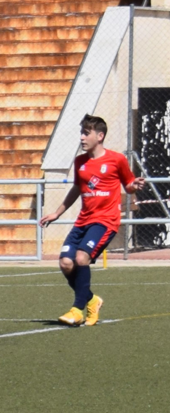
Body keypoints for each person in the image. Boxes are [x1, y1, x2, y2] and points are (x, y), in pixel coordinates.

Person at [39, 115, 141, 327]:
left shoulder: (116, 159)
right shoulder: (80, 162)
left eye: (86, 133)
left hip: (105, 221)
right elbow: (77, 188)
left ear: (100, 135)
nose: (82, 137)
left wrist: (134, 186)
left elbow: (128, 184)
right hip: (83, 221)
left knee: (81, 258)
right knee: (66, 263)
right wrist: (57, 213)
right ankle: (92, 300)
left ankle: (77, 310)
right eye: (81, 133)